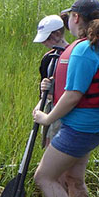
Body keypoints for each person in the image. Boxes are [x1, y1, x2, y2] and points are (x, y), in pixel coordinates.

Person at [33, 0, 99, 197]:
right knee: (74, 178)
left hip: (78, 129)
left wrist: (47, 118)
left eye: (69, 17)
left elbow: (73, 95)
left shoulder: (83, 49)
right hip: (95, 127)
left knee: (43, 177)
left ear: (76, 18)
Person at [33, 14, 69, 147]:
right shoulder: (47, 58)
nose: (43, 43)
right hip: (49, 106)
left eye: (46, 39)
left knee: (59, 144)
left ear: (57, 34)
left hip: (65, 109)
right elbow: (44, 89)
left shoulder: (73, 55)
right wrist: (39, 104)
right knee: (48, 141)